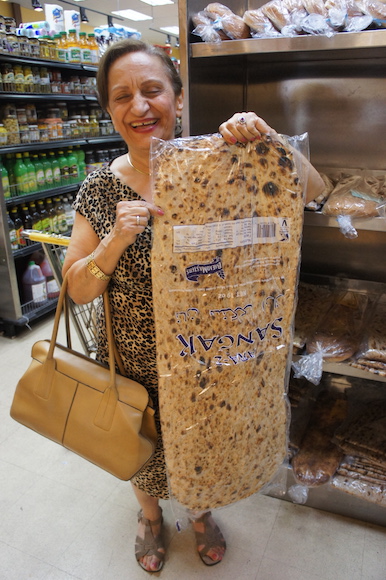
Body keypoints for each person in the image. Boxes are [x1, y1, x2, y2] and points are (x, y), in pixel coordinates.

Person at [62, 39, 324, 573]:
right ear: (110, 111)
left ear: (178, 100)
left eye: (152, 90)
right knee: (143, 454)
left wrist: (269, 140)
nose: (139, 105)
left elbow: (315, 191)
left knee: (205, 440)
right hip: (135, 360)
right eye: (122, 96)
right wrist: (114, 241)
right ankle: (151, 517)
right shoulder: (99, 189)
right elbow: (76, 289)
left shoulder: (223, 167)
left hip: (208, 354)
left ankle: (201, 513)